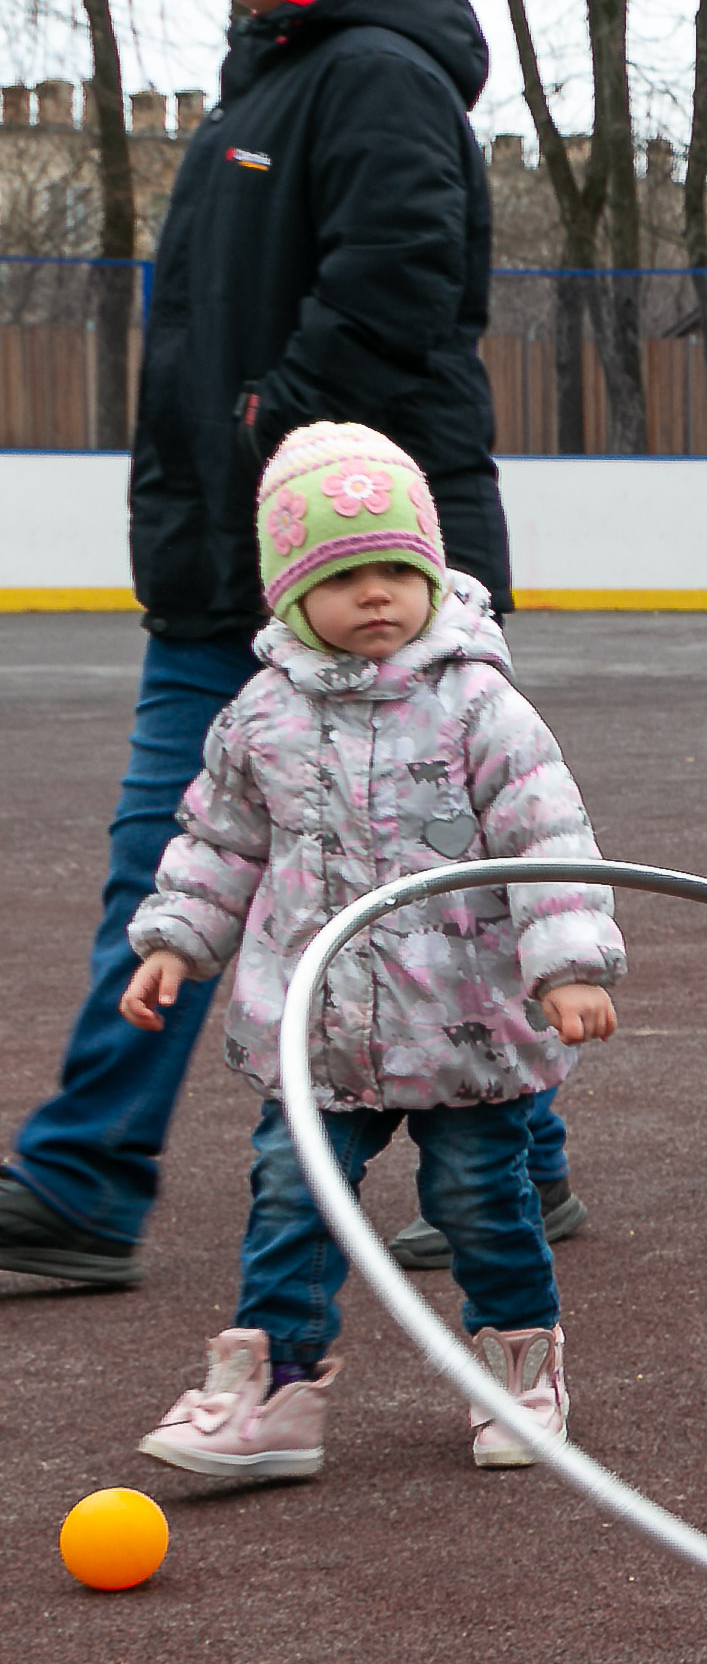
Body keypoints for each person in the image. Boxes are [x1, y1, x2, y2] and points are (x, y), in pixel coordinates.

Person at [0, 0, 550, 1294]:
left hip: (346, 575)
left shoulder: (370, 75)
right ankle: (91, 1174)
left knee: (403, 866)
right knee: (244, 871)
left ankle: (83, 1177)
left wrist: (266, 427)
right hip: (229, 567)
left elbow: (400, 285)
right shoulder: (271, 82)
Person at [119, 426, 619, 1482]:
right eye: (346, 576)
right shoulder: (260, 717)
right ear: (292, 594)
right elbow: (220, 843)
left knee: (484, 1204)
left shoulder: (478, 703)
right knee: (292, 1199)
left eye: (398, 568)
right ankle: (275, 1391)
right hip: (322, 1034)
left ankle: (518, 1372)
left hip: (468, 1028)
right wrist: (176, 941)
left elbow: (547, 836)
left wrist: (567, 963)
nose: (378, 595)